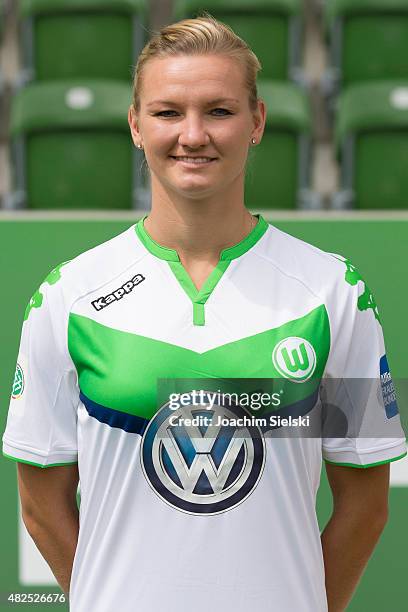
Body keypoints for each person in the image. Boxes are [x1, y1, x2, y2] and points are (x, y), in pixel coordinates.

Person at [2, 13, 406, 612]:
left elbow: (366, 502)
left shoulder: (332, 290)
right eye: (168, 112)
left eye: (219, 111)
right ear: (136, 125)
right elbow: (40, 501)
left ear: (258, 122)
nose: (193, 135)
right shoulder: (70, 295)